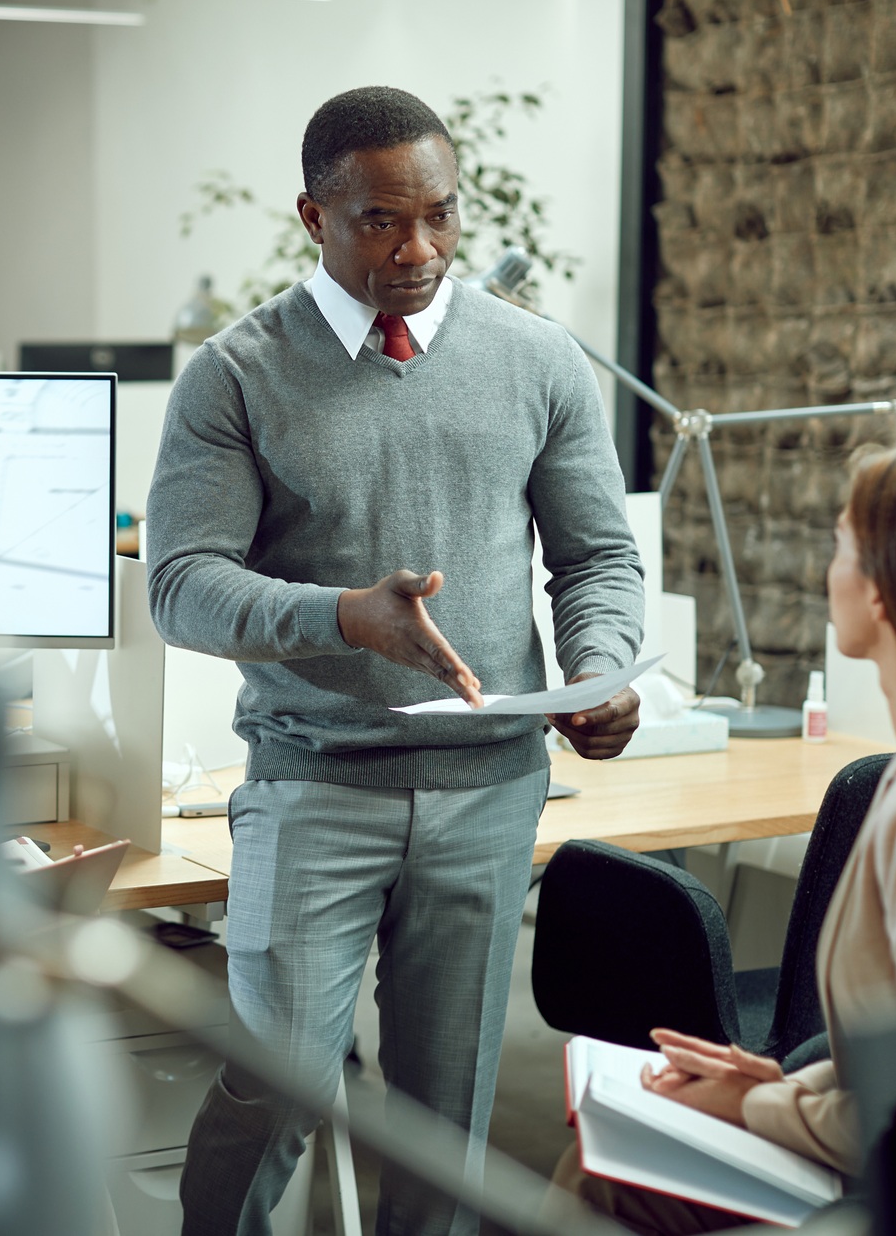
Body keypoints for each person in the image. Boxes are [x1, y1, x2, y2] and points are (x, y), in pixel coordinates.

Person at [148, 85, 646, 1236]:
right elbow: (181, 583)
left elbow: (597, 558)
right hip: (312, 786)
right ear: (312, 216)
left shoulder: (535, 360)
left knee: (444, 1116)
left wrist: (599, 666)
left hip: (487, 792)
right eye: (379, 219)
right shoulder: (233, 375)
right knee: (279, 1084)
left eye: (437, 214)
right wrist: (346, 616)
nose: (415, 248)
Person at [556, 446, 896, 1233]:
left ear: (882, 591)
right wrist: (781, 1082)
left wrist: (763, 1103)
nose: (828, 568)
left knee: (598, 1173)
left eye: (840, 543)